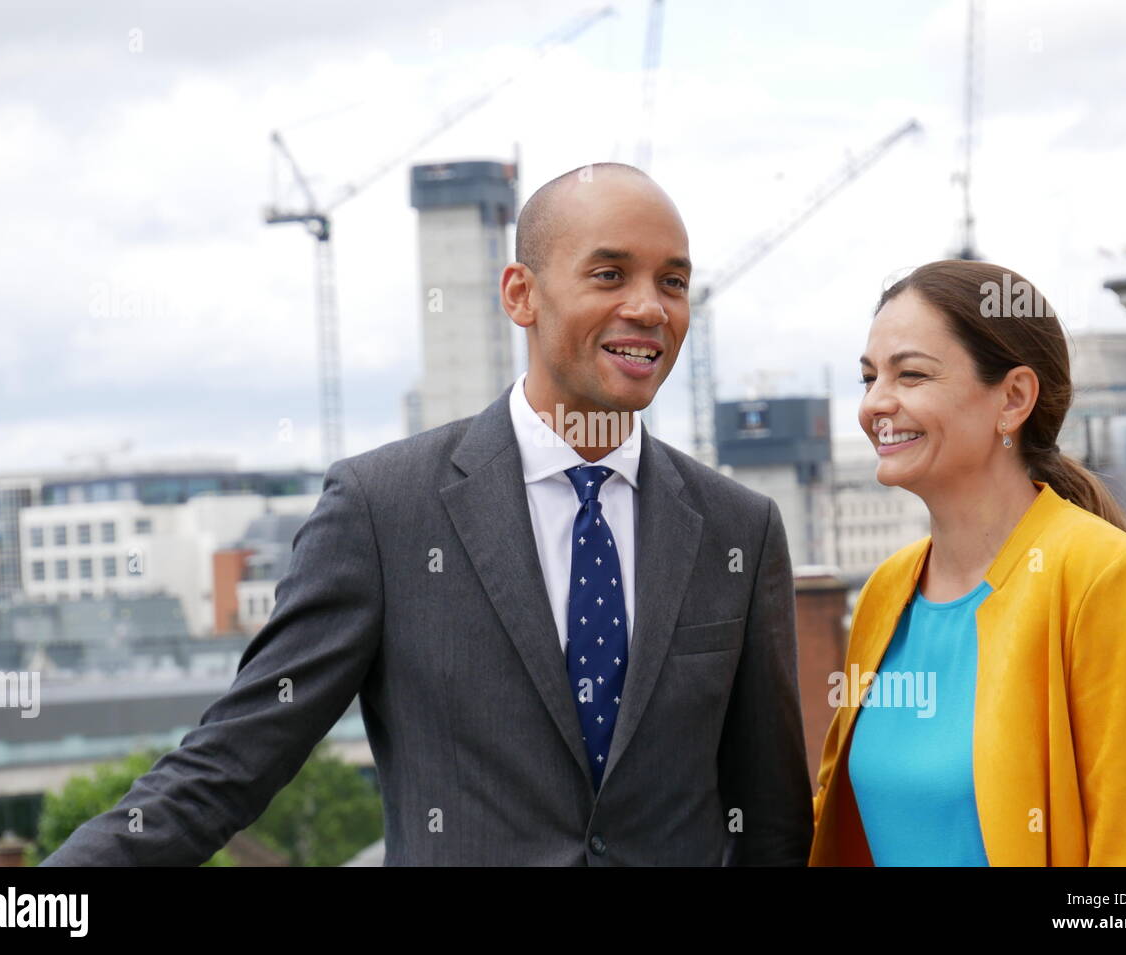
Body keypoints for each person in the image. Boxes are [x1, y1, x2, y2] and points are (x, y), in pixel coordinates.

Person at [43, 162, 812, 866]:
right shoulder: (383, 512)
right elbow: (233, 759)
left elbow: (770, 821)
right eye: (610, 273)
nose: (648, 306)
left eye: (672, 282)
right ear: (521, 294)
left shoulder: (738, 529)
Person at [809, 259, 1126, 866]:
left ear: (1014, 398)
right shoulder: (888, 591)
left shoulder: (1105, 579)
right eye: (869, 378)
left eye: (911, 374)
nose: (875, 405)